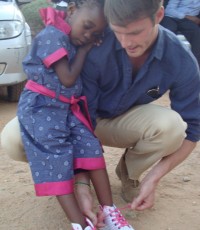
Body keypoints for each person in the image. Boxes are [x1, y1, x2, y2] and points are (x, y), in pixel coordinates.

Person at [1, 0, 200, 225]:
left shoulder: (181, 59)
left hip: (120, 121)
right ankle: (67, 176)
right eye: (118, 32)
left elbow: (193, 131)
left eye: (135, 32)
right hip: (74, 116)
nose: (126, 43)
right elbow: (71, 112)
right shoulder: (94, 37)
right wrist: (82, 183)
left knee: (172, 127)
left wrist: (154, 177)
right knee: (13, 138)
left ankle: (130, 176)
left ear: (159, 15)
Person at [6, 1, 134, 230]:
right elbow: (67, 78)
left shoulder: (69, 37)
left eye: (95, 34)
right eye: (86, 26)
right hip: (41, 109)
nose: (87, 36)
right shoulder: (52, 35)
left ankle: (109, 212)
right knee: (55, 161)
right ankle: (81, 225)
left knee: (91, 147)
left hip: (66, 109)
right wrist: (85, 50)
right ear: (73, 11)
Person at [160, 0, 200, 66]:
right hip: (171, 17)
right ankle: (165, 62)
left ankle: (195, 66)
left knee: (196, 32)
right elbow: (169, 10)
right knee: (168, 32)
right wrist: (187, 17)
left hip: (188, 21)